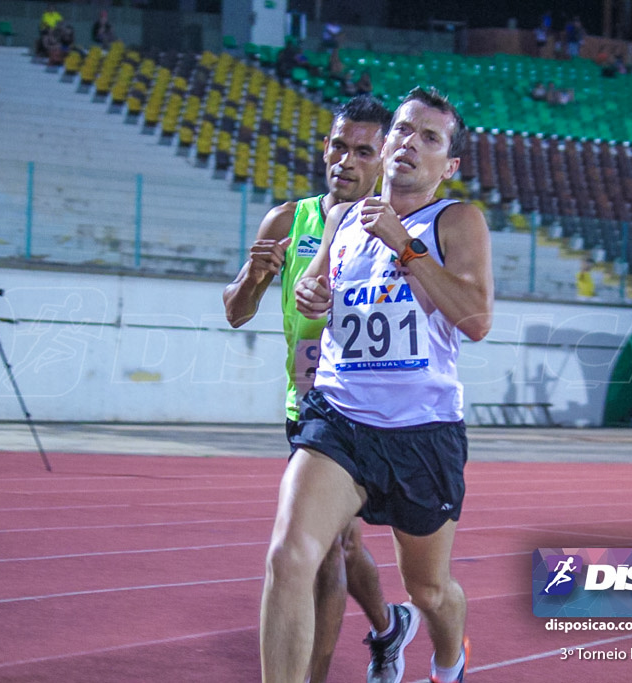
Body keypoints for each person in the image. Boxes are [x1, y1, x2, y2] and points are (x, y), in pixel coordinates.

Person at [261, 87, 492, 683]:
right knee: (290, 556)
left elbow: (475, 319)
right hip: (338, 418)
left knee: (430, 590)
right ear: (386, 141)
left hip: (422, 432)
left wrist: (405, 244)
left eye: (431, 138)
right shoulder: (342, 220)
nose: (411, 143)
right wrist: (314, 293)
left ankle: (448, 663)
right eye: (403, 130)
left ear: (450, 164)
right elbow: (318, 292)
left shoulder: (456, 220)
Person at [224, 96, 404, 683]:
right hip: (308, 406)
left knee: (333, 548)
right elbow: (236, 312)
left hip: (367, 408)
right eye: (337, 145)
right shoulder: (287, 220)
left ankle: (355, 648)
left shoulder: (392, 231)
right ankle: (388, 628)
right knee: (337, 547)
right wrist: (254, 277)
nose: (344, 160)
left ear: (382, 161)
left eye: (361, 151)